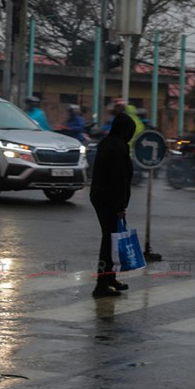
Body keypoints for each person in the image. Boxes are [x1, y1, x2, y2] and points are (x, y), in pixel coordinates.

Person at [89, 110, 136, 298]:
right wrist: (120, 206)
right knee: (109, 242)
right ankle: (101, 285)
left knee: (111, 240)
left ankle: (110, 279)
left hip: (100, 197)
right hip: (110, 200)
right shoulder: (118, 148)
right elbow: (118, 180)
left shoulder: (106, 143)